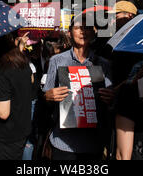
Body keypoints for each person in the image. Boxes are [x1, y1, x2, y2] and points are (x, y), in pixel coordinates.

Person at [43, 14, 114, 160]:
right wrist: (48, 96)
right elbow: (46, 98)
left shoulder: (103, 64)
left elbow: (110, 102)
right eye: (78, 28)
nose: (83, 31)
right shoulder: (57, 60)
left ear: (94, 32)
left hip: (93, 144)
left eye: (87, 28)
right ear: (70, 33)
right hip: (62, 143)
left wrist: (110, 99)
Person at [0, 35, 33, 160]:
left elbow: (3, 113)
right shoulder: (23, 63)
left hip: (8, 135)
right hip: (23, 127)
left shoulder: (3, 71)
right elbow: (31, 80)